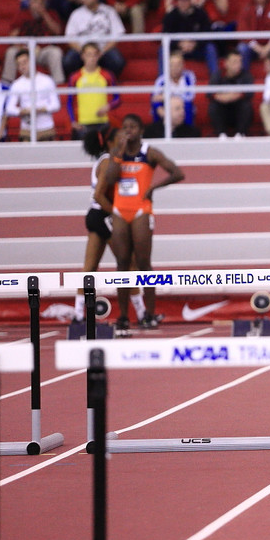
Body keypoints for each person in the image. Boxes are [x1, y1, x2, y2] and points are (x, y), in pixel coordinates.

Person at [98, 113, 184, 333]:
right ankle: (124, 316)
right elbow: (110, 180)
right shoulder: (116, 154)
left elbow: (177, 172)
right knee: (122, 264)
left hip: (141, 211)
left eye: (133, 127)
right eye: (125, 127)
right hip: (119, 211)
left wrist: (154, 187)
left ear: (141, 130)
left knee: (144, 263)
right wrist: (118, 153)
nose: (128, 131)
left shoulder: (149, 153)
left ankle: (150, 314)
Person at [74, 125, 149, 323]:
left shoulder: (109, 160)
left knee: (90, 267)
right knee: (128, 264)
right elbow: (99, 195)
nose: (125, 138)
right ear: (110, 142)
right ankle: (142, 314)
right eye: (121, 136)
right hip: (103, 215)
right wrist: (118, 214)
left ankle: (77, 314)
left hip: (96, 216)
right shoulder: (107, 162)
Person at [3, 0, 65, 84]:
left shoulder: (51, 13)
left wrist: (44, 14)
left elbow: (57, 31)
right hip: (24, 50)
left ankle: (59, 84)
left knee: (55, 52)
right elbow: (12, 35)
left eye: (42, 1)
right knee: (11, 52)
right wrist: (20, 47)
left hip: (43, 50)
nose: (38, 3)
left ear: (46, 2)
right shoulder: (22, 14)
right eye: (35, 0)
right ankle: (6, 84)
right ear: (29, 1)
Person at [63, 0, 126, 78]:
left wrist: (102, 51)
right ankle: (77, 81)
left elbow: (117, 35)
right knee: (68, 61)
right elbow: (70, 38)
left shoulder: (109, 11)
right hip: (82, 49)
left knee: (118, 61)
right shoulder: (76, 14)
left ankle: (108, 82)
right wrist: (84, 52)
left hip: (103, 48)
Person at [67, 42, 120, 140]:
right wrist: (73, 121)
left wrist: (108, 106)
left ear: (99, 55)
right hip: (83, 124)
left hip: (103, 122)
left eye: (95, 54)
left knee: (104, 154)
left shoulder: (107, 75)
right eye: (88, 54)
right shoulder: (75, 77)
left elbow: (117, 98)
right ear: (82, 56)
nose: (92, 58)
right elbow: (69, 102)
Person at [161, 0, 219, 75]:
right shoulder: (170, 16)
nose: (183, 2)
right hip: (178, 50)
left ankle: (216, 81)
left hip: (197, 49)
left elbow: (208, 33)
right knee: (162, 49)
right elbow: (165, 34)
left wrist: (195, 43)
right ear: (177, 1)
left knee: (210, 48)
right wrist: (179, 43)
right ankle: (163, 83)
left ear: (190, 0)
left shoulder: (200, 13)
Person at [6, 48, 60, 141]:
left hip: (46, 128)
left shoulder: (47, 80)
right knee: (25, 155)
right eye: (19, 64)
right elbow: (9, 108)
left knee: (48, 155)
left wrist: (40, 109)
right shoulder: (16, 84)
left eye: (24, 62)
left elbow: (56, 105)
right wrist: (23, 111)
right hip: (27, 129)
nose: (22, 66)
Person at [150, 48, 197, 136]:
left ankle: (187, 134)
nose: (175, 68)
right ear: (167, 66)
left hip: (183, 105)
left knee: (187, 106)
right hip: (167, 107)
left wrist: (167, 96)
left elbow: (190, 96)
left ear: (183, 65)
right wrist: (162, 108)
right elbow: (154, 97)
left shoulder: (189, 77)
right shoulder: (162, 79)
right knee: (156, 106)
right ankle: (159, 134)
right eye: (172, 65)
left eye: (178, 64)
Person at [207, 49, 253, 138]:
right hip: (223, 110)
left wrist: (229, 96)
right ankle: (221, 134)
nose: (238, 65)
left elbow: (248, 94)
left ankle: (240, 134)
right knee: (213, 106)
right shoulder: (217, 75)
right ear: (226, 63)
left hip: (238, 111)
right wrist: (227, 97)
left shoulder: (246, 76)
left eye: (240, 62)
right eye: (235, 62)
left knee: (246, 106)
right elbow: (210, 94)